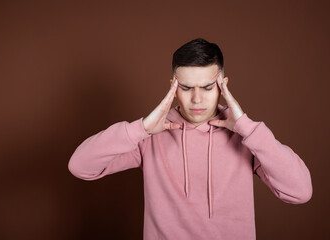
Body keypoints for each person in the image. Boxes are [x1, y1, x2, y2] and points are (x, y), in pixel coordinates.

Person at [68, 38, 313, 240]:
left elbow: (300, 191)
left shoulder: (246, 138)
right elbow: (80, 166)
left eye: (207, 87)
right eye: (186, 88)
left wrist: (248, 128)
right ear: (173, 86)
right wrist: (140, 128)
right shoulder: (150, 135)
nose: (196, 99)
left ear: (222, 85)